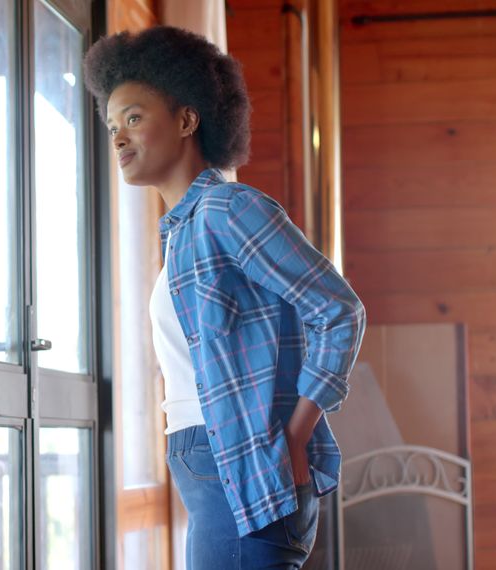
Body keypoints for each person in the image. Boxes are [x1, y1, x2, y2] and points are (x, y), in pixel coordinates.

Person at [83, 26, 367, 568]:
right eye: (112, 124)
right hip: (212, 463)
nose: (118, 137)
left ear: (188, 120)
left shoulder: (226, 210)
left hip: (240, 464)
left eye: (135, 118)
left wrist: (297, 432)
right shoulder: (183, 230)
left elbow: (338, 309)